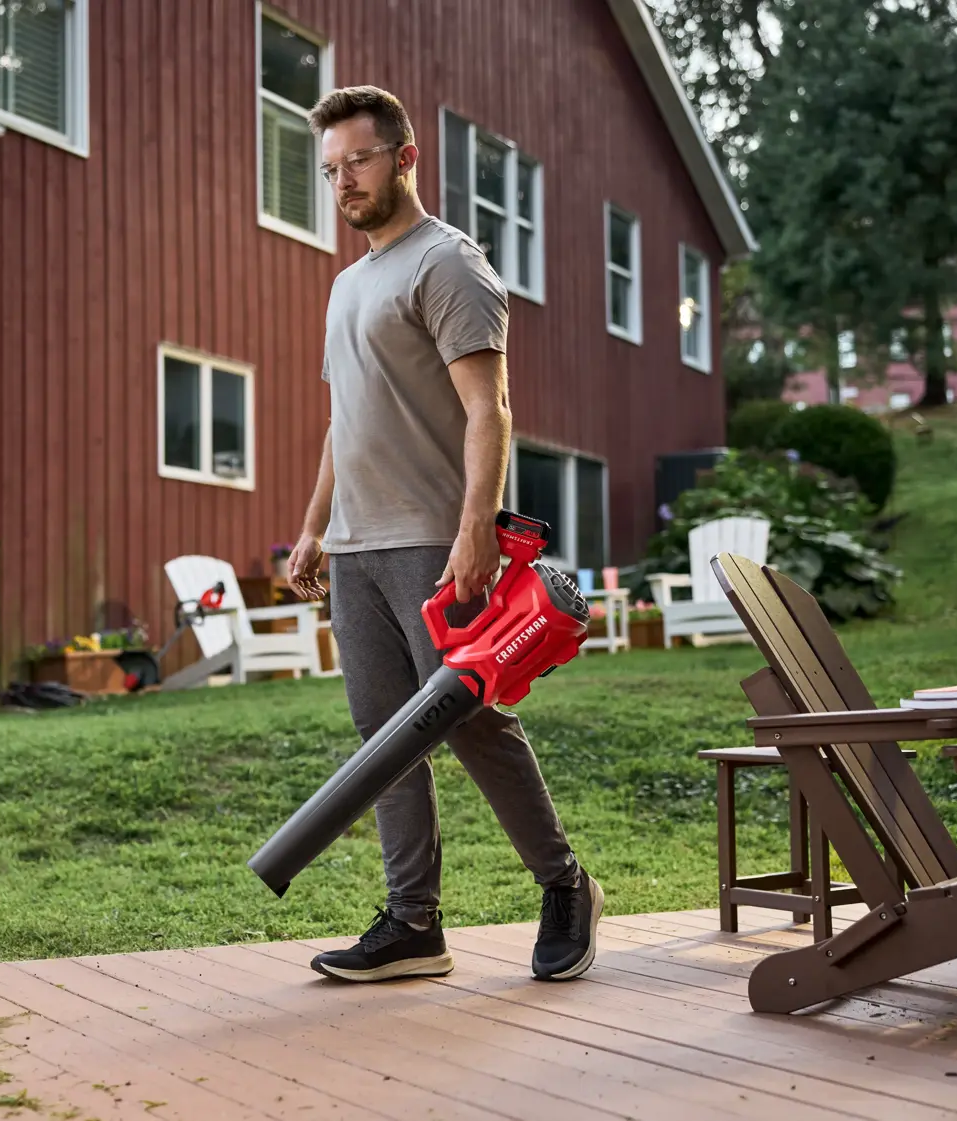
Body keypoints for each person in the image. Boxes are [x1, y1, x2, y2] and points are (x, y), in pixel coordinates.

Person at [285, 86, 602, 984]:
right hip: (355, 547)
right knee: (382, 736)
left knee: (471, 724)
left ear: (405, 157)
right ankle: (413, 922)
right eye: (331, 169)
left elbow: (488, 409)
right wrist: (313, 529)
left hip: (433, 540)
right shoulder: (348, 284)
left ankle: (564, 880)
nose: (344, 181)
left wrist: (477, 531)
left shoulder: (447, 263)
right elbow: (347, 423)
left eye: (359, 161)